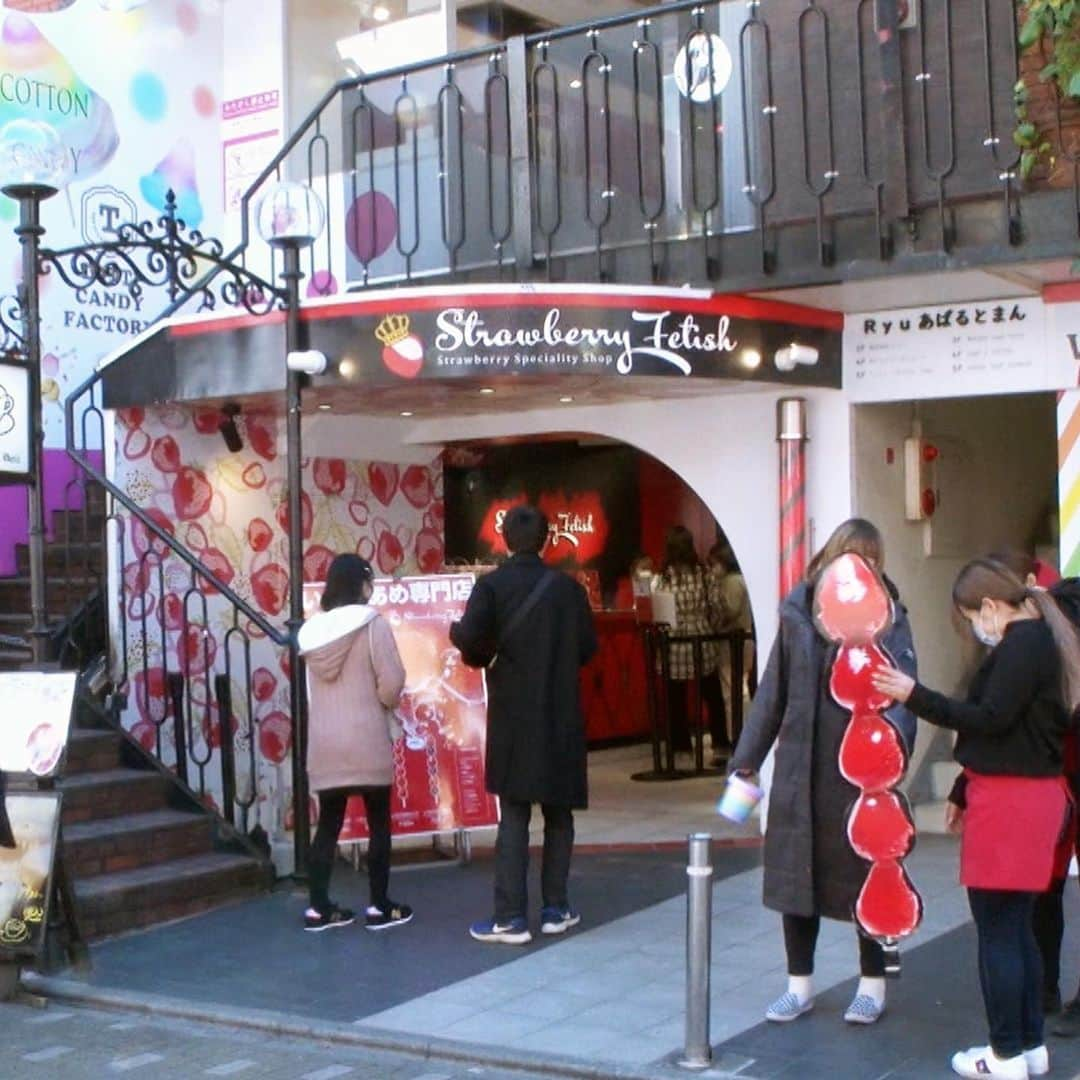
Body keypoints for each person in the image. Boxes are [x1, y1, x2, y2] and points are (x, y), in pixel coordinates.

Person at [874, 558, 1080, 1080]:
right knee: (1017, 929)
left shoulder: (1022, 645)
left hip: (1012, 804)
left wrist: (913, 696)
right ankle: (1029, 1045)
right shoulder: (1040, 641)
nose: (973, 628)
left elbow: (989, 718)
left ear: (989, 607)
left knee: (998, 933)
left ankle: (1005, 1053)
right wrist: (965, 784)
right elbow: (1007, 730)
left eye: (970, 617)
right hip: (1030, 798)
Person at [729, 518, 917, 1026]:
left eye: (870, 560)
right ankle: (799, 986)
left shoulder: (890, 618)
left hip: (860, 776)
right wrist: (746, 761)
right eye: (853, 557)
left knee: (868, 876)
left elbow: (904, 695)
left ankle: (872, 986)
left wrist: (891, 755)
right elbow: (773, 692)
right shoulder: (798, 614)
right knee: (797, 880)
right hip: (799, 768)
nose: (861, 569)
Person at [450, 504, 597, 945]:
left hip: (513, 716)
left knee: (514, 815)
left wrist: (480, 650)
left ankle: (510, 918)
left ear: (505, 540)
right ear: (548, 540)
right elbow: (588, 649)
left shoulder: (491, 587)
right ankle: (556, 908)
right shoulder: (570, 591)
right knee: (559, 813)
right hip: (562, 714)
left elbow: (472, 642)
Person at [990, 550, 1080, 1036]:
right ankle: (1047, 989)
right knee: (1047, 884)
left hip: (1059, 768)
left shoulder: (1038, 630)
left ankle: (1044, 988)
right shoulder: (1049, 618)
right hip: (1060, 767)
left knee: (1047, 886)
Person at [297, 553, 412, 933]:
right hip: (366, 738)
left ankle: (318, 908)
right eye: (369, 581)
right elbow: (392, 681)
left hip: (325, 743)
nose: (371, 589)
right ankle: (379, 906)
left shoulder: (311, 633)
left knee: (328, 824)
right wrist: (383, 701)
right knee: (379, 822)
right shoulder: (372, 625)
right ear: (360, 584)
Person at [653, 526, 729, 763]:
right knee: (711, 693)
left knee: (676, 697)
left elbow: (657, 612)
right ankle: (720, 744)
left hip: (674, 640)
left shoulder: (663, 577)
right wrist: (712, 626)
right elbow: (717, 607)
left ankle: (680, 745)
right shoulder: (704, 574)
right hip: (701, 636)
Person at [707, 541, 755, 735]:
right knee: (739, 687)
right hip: (745, 640)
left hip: (732, 641)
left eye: (713, 564)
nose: (712, 570)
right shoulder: (742, 579)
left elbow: (730, 610)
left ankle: (738, 733)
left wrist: (715, 623)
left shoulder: (730, 582)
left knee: (732, 690)